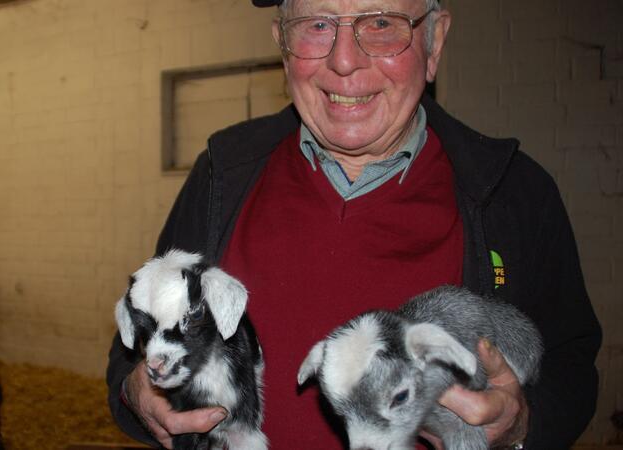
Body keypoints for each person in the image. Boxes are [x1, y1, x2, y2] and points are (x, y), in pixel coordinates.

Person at [106, 0, 602, 448]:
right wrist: (139, 391)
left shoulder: (512, 192)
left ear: (435, 41)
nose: (344, 59)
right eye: (317, 24)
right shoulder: (221, 176)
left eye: (382, 23)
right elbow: (132, 350)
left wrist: (520, 428)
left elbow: (571, 364)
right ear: (282, 42)